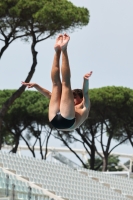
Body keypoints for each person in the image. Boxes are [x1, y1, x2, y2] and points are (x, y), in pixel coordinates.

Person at [22, 34, 92, 131]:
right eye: (72, 96)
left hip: (65, 121)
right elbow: (50, 95)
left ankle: (64, 50)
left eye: (75, 97)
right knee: (56, 85)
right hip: (55, 120)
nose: (72, 98)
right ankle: (58, 51)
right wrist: (36, 86)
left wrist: (85, 80)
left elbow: (85, 92)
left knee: (65, 83)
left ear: (82, 99)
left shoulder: (84, 106)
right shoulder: (69, 105)